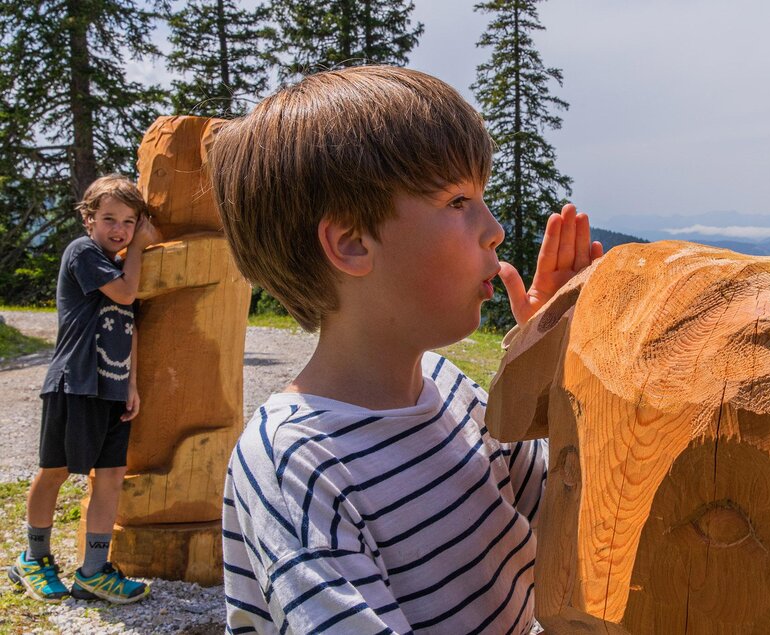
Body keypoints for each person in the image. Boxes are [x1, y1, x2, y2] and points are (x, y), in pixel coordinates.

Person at [211, 65, 603, 633]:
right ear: (351, 243)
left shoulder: (452, 391)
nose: (493, 229)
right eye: (456, 201)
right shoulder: (296, 463)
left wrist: (555, 361)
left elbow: (572, 516)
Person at [9, 175, 159, 604]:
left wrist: (131, 383)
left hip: (111, 390)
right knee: (55, 470)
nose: (120, 229)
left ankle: (93, 571)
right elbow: (125, 295)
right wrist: (140, 247)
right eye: (109, 218)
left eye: (130, 222)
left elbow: (130, 325)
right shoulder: (85, 253)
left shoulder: (122, 262)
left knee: (110, 475)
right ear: (88, 219)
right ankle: (34, 559)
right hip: (73, 384)